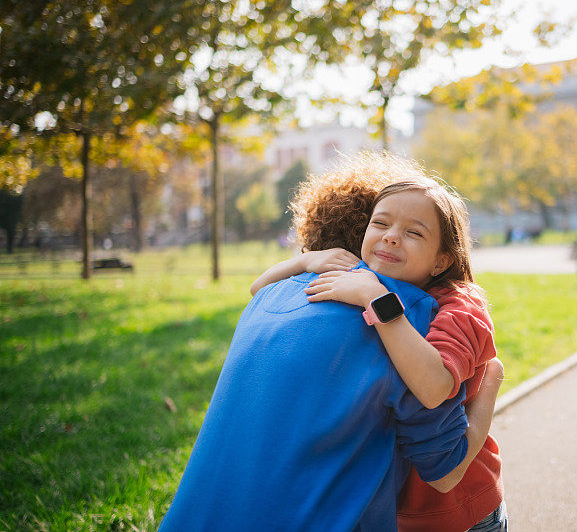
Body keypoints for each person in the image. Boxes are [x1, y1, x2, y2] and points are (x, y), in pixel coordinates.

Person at [159, 153, 503, 532]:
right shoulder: (345, 289)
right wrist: (307, 262)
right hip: (409, 507)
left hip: (460, 509)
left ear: (441, 259)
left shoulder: (440, 309)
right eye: (381, 223)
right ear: (360, 236)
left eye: (414, 231)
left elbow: (438, 413)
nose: (390, 236)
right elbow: (258, 287)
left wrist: (492, 377)